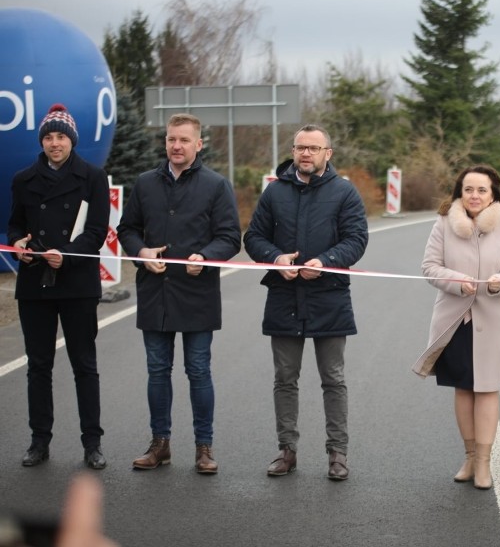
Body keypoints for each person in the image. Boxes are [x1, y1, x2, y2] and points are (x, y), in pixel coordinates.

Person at [117, 113, 241, 475]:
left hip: (197, 292)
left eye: (184, 140)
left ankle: (204, 447)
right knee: (157, 371)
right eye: (171, 139)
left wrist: (206, 256)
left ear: (198, 144)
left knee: (198, 370)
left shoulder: (216, 185)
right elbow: (127, 229)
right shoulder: (144, 183)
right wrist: (140, 252)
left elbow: (231, 236)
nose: (176, 146)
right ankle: (160, 444)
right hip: (155, 291)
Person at [244, 124, 368, 481]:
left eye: (314, 148)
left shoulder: (345, 192)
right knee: (285, 378)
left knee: (333, 378)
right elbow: (253, 237)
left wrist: (325, 262)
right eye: (300, 147)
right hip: (284, 297)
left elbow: (356, 239)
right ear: (293, 150)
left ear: (328, 153)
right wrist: (276, 258)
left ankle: (337, 453)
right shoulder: (274, 192)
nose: (306, 154)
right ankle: (287, 451)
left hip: (329, 298)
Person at [7, 103, 109, 470]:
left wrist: (65, 255)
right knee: (38, 366)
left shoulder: (93, 177)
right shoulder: (23, 179)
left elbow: (97, 232)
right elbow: (15, 225)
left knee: (85, 364)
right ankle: (39, 441)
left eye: (61, 136)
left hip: (78, 281)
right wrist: (19, 244)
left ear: (72, 141)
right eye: (48, 137)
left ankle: (92, 443)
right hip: (35, 283)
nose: (54, 143)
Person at [412, 165, 500, 491]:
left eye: (481, 190)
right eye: (468, 189)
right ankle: (470, 457)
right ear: (460, 192)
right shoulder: (444, 224)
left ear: (493, 194)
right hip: (455, 319)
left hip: (493, 320)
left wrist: (497, 283)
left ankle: (486, 464)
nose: (474, 196)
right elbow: (429, 267)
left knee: (487, 389)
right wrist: (455, 283)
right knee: (463, 388)